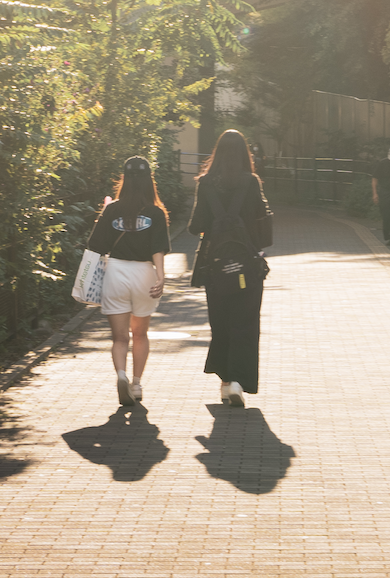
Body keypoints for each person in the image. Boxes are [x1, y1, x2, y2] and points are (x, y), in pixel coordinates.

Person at [188, 128, 273, 407]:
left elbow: (195, 226)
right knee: (246, 322)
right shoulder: (252, 182)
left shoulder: (206, 183)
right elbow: (263, 222)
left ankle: (224, 382)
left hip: (215, 267)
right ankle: (239, 380)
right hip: (247, 266)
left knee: (221, 323)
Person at [85, 155, 170, 406]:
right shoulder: (156, 212)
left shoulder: (112, 210)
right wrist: (161, 277)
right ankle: (136, 383)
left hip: (116, 273)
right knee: (140, 334)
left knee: (120, 338)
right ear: (149, 181)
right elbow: (158, 249)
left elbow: (96, 246)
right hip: (144, 274)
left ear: (124, 180)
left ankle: (121, 375)